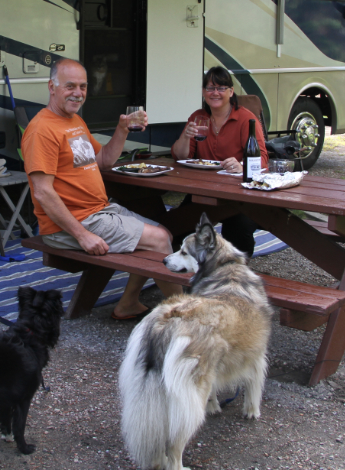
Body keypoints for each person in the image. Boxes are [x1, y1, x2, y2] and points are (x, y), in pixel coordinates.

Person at [21, 59, 181, 320]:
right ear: (52, 87)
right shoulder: (42, 129)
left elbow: (103, 161)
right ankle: (185, 316)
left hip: (99, 211)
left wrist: (122, 129)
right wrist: (82, 235)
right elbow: (42, 192)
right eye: (70, 86)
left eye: (83, 86)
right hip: (72, 223)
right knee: (158, 241)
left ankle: (128, 303)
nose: (78, 92)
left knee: (163, 232)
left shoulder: (73, 122)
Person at [167, 66, 268, 254]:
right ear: (204, 92)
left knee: (238, 230)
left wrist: (241, 166)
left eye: (221, 88)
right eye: (210, 88)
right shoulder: (198, 117)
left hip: (240, 195)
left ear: (231, 92)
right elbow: (180, 156)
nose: (215, 93)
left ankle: (236, 273)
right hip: (204, 191)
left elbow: (262, 159)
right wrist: (185, 137)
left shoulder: (245, 118)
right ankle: (178, 271)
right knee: (178, 224)